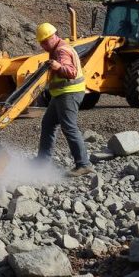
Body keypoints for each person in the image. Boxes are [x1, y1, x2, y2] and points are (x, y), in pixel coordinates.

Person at [35, 22, 94, 177]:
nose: (44, 46)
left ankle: (83, 164)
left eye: (45, 42)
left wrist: (58, 67)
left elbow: (71, 72)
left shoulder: (62, 51)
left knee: (69, 127)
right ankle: (42, 162)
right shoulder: (57, 49)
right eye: (42, 43)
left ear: (53, 36)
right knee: (48, 123)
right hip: (61, 94)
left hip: (69, 92)